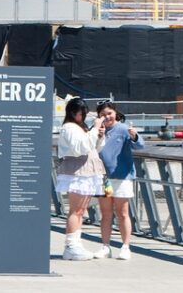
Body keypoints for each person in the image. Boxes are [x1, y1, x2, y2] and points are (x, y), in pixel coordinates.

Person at [56, 97, 106, 261]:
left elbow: (94, 147)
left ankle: (75, 244)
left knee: (81, 211)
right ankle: (71, 246)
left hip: (87, 170)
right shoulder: (69, 127)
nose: (83, 117)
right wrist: (94, 129)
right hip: (77, 170)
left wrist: (98, 135)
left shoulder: (80, 127)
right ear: (72, 113)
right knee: (76, 210)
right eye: (81, 114)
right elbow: (80, 148)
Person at [95, 101, 142, 261]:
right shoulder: (96, 130)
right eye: (103, 115)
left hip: (122, 177)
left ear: (115, 112)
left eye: (109, 113)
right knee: (106, 214)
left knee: (122, 213)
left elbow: (140, 146)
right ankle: (105, 246)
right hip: (104, 178)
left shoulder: (123, 129)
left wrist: (134, 136)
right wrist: (98, 135)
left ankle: (125, 246)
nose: (107, 117)